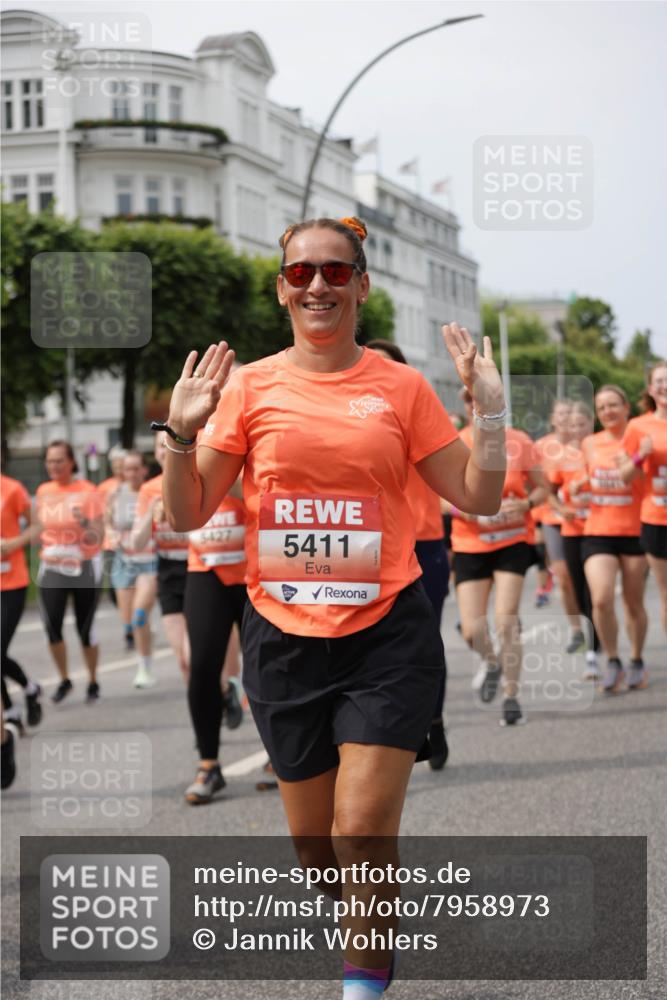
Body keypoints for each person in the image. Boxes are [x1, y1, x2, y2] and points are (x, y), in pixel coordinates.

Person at [161, 215, 506, 997]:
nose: (318, 285)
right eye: (300, 273)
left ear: (362, 284)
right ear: (281, 289)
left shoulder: (401, 387)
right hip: (282, 639)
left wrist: (489, 413)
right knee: (318, 849)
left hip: (386, 631)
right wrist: (180, 437)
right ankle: (369, 916)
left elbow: (477, 496)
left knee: (360, 828)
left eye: (335, 272)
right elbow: (186, 513)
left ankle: (363, 981)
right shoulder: (248, 385)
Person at [366, 338, 450, 770]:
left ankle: (432, 718)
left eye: (386, 367)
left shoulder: (417, 413)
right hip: (369, 546)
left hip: (425, 541)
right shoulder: (353, 423)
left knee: (424, 641)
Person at [449, 389, 548, 726]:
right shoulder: (456, 441)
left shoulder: (519, 440)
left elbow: (543, 488)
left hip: (512, 541)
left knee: (506, 620)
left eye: (481, 398)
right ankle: (491, 661)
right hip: (470, 545)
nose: (474, 404)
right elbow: (439, 498)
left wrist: (526, 504)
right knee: (472, 630)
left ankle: (511, 694)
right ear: (464, 407)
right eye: (468, 399)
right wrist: (469, 512)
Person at [571, 385, 647, 691]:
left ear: (627, 407)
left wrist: (637, 460)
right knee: (601, 599)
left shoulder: (641, 438)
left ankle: (637, 659)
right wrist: (580, 484)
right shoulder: (590, 442)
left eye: (613, 405)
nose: (607, 412)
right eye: (601, 408)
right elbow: (588, 474)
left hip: (635, 530)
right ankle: (613, 660)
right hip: (598, 531)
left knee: (632, 602)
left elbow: (647, 479)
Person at [183, 490, 248, 803]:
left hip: (259, 565)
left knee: (275, 667)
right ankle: (208, 765)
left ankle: (285, 758)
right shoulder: (193, 444)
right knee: (203, 668)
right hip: (206, 570)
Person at [35, 441, 104, 703]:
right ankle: (64, 679)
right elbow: (39, 528)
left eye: (59, 461)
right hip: (53, 566)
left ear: (71, 462)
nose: (54, 466)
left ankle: (93, 679)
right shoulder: (43, 491)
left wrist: (83, 522)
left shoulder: (87, 491)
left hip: (84, 566)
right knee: (51, 626)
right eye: (50, 461)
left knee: (85, 628)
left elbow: (98, 535)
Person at [547, 402, 601, 678]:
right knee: (578, 589)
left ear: (592, 424)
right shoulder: (562, 456)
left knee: (598, 593)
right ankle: (589, 640)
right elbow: (549, 492)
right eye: (573, 425)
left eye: (583, 424)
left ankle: (596, 650)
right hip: (571, 530)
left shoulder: (601, 449)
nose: (578, 429)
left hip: (600, 530)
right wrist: (560, 509)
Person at [132, 432, 191, 680]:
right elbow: (137, 542)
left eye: (170, 444)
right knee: (182, 660)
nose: (165, 450)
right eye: (160, 446)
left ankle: (223, 689)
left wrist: (176, 512)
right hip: (167, 571)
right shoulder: (148, 489)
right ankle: (204, 710)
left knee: (193, 655)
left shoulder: (195, 479)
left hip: (197, 568)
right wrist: (153, 512)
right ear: (155, 453)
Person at [618, 362, 667, 649]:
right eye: (660, 381)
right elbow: (624, 476)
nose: (665, 385)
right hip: (657, 520)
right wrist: (640, 456)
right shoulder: (638, 426)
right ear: (651, 388)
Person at [533, 400, 586, 649]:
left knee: (587, 576)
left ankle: (594, 621)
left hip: (585, 520)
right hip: (553, 519)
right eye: (561, 414)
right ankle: (576, 629)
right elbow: (535, 484)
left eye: (570, 413)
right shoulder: (542, 446)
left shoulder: (587, 444)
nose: (566, 418)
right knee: (564, 577)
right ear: (553, 419)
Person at [106, 451, 158, 688]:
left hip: (149, 561)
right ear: (122, 471)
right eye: (128, 469)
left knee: (138, 616)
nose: (133, 473)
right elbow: (107, 522)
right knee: (127, 620)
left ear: (144, 470)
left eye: (137, 468)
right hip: (123, 562)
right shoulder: (116, 494)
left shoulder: (152, 493)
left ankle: (144, 669)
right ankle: (146, 632)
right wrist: (111, 534)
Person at [1, 472, 42, 729]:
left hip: (12, 583)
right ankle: (13, 709)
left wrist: (14, 543)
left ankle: (27, 691)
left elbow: (37, 527)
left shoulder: (12, 489)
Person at [97, 445, 127, 618]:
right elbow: (100, 515)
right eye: (115, 465)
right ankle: (127, 617)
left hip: (132, 543)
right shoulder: (104, 487)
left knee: (130, 584)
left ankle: (132, 626)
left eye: (121, 465)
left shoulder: (135, 485)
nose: (118, 469)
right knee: (114, 588)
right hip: (110, 543)